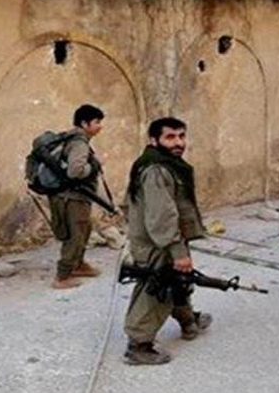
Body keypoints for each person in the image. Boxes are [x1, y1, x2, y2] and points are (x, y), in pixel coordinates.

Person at [122, 117, 212, 365]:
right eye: (170, 137)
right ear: (154, 140)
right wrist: (176, 249)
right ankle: (139, 345)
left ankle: (188, 320)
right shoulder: (156, 169)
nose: (178, 142)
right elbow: (162, 215)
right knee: (157, 289)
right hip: (158, 242)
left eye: (181, 136)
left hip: (161, 238)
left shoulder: (163, 164)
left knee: (178, 282)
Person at [49, 104, 105, 290]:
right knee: (76, 236)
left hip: (69, 196)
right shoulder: (79, 143)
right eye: (97, 122)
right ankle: (62, 276)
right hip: (73, 198)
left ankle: (78, 265)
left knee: (84, 230)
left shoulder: (72, 139)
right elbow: (75, 171)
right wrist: (94, 167)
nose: (100, 126)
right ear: (84, 123)